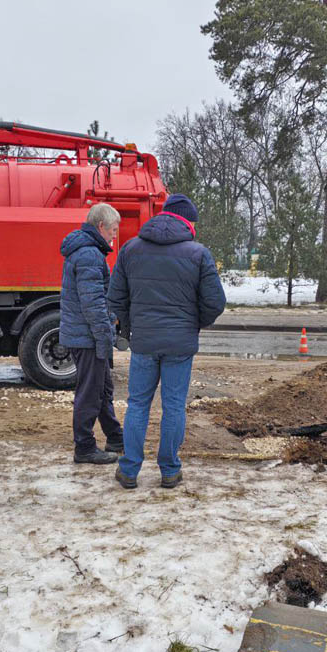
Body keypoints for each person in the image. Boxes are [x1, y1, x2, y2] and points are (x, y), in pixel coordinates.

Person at [108, 194, 226, 489]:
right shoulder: (198, 254)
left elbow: (116, 298)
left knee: (137, 405)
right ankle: (170, 470)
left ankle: (130, 470)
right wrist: (194, 324)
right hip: (180, 344)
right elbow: (215, 302)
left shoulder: (130, 249)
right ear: (187, 222)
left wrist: (132, 326)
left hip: (145, 342)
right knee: (173, 406)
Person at [59, 203, 125, 464]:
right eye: (113, 230)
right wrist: (104, 338)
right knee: (90, 392)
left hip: (85, 335)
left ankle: (115, 436)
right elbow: (94, 305)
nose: (114, 235)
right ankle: (84, 447)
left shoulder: (87, 251)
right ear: (101, 227)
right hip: (88, 338)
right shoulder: (89, 255)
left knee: (102, 388)